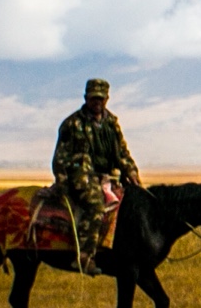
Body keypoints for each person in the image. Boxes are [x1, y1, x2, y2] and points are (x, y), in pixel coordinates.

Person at [52, 78, 140, 275]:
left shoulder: (112, 123)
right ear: (86, 98)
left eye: (101, 98)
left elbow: (122, 153)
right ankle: (84, 256)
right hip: (81, 177)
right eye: (93, 98)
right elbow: (59, 158)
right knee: (95, 205)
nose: (97, 102)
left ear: (107, 98)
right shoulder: (72, 124)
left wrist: (132, 172)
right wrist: (62, 183)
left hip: (109, 177)